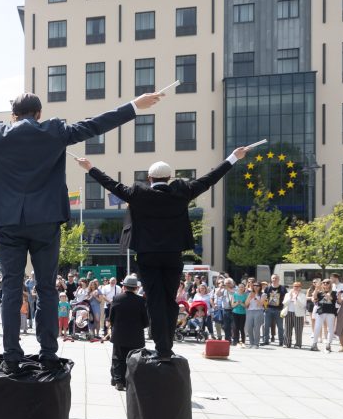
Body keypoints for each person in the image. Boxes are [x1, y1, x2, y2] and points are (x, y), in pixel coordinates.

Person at [0, 91, 162, 374]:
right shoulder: (55, 131)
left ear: (13, 115)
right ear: (38, 114)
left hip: (9, 222)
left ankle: (12, 355)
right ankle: (49, 353)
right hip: (46, 221)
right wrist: (134, 106)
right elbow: (95, 124)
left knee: (13, 290)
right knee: (46, 288)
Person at [77, 144, 250, 360]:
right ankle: (167, 346)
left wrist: (90, 167)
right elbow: (209, 178)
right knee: (170, 301)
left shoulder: (138, 194)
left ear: (149, 178)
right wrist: (234, 157)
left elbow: (112, 185)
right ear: (169, 177)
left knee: (154, 300)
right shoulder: (182, 191)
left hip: (148, 254)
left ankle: (161, 347)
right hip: (173, 254)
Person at [108, 276, 148, 391]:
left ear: (124, 286)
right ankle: (131, 380)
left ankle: (119, 381)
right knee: (134, 359)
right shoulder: (141, 301)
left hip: (119, 334)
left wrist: (114, 326)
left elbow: (112, 318)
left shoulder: (117, 298)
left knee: (118, 358)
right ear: (136, 288)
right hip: (136, 336)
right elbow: (146, 321)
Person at [310, 279, 337, 352]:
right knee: (317, 327)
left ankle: (328, 344)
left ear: (330, 284)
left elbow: (331, 299)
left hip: (330, 312)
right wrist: (316, 288)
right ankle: (314, 344)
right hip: (321, 311)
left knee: (330, 328)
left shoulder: (334, 292)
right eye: (324, 283)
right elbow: (315, 298)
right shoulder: (319, 292)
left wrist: (327, 295)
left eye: (327, 282)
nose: (325, 284)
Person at [262, 274, 286, 346]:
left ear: (278, 279)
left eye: (276, 278)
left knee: (280, 326)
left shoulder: (282, 288)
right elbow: (264, 299)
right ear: (271, 279)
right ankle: (266, 340)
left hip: (279, 310)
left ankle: (281, 341)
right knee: (266, 325)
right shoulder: (267, 288)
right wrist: (265, 307)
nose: (274, 280)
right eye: (273, 278)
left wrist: (284, 309)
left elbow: (286, 298)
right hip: (268, 309)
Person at [282, 281, 305, 349]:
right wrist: (290, 297)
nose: (296, 288)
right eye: (294, 286)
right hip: (288, 313)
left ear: (300, 288)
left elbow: (303, 305)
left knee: (298, 330)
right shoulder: (288, 294)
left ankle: (298, 344)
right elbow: (284, 303)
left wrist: (297, 298)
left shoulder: (302, 295)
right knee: (287, 329)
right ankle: (287, 343)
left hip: (298, 314)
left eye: (298, 286)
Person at [244, 280, 264, 348]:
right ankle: (251, 343)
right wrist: (250, 297)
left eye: (257, 286)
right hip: (250, 311)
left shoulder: (263, 294)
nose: (255, 287)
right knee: (249, 327)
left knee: (256, 328)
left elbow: (260, 304)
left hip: (258, 311)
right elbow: (246, 304)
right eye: (254, 285)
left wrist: (255, 298)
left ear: (260, 287)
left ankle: (256, 343)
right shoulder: (250, 294)